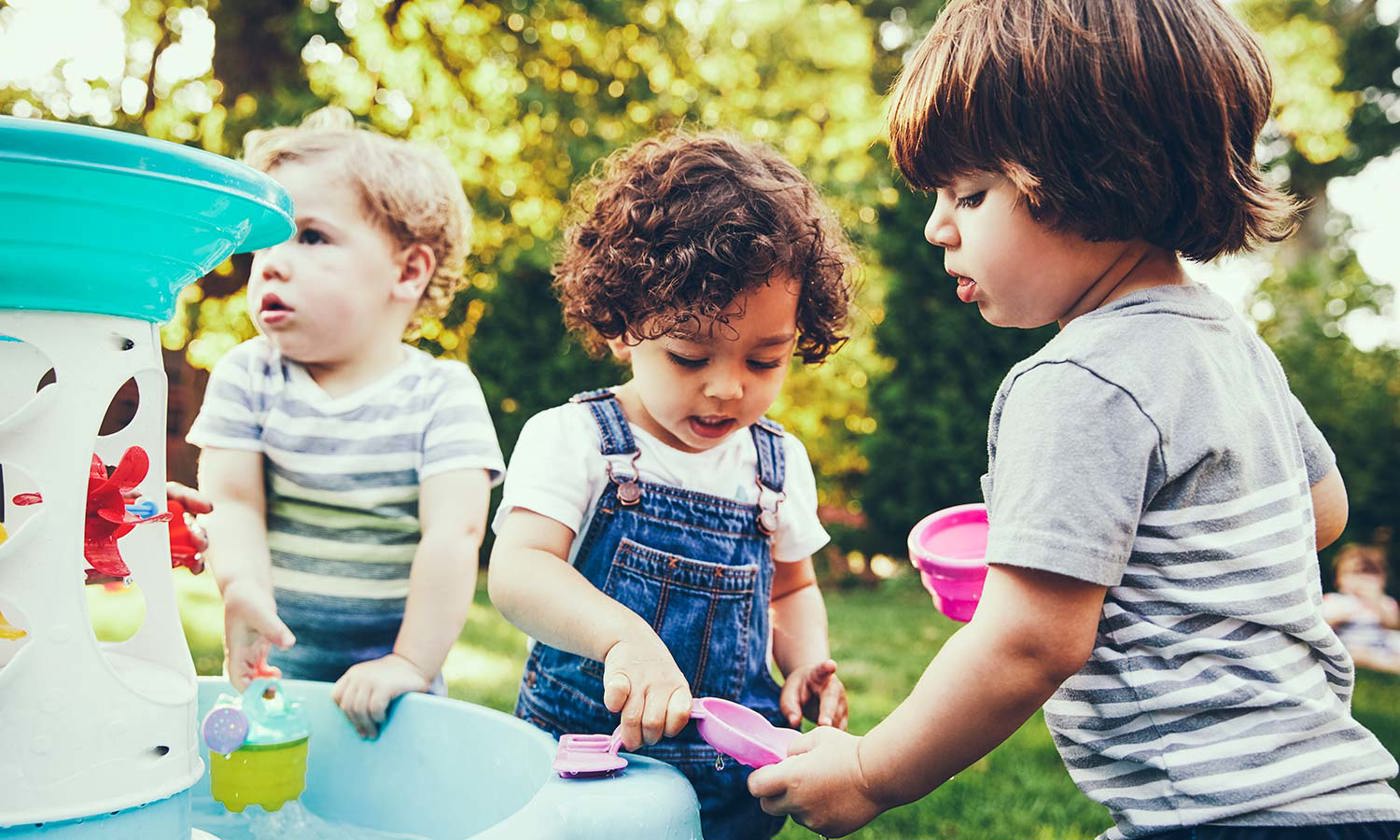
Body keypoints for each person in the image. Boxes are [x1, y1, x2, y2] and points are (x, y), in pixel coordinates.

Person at [748, 1, 1400, 838]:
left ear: (1094, 173)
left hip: (1217, 815)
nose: (936, 226)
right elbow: (1320, 513)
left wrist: (872, 773)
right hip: (1337, 795)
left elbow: (1029, 645)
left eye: (970, 194)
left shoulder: (1074, 379)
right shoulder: (1228, 340)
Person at [487, 132, 852, 840]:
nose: (727, 387)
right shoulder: (576, 441)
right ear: (624, 327)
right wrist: (623, 639)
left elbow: (791, 588)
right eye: (689, 356)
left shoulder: (777, 465)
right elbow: (518, 572)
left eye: (765, 359)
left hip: (729, 782)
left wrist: (805, 664)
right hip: (588, 771)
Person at [187, 107, 504, 739]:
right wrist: (241, 586)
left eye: (310, 237)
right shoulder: (248, 376)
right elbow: (233, 503)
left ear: (407, 271)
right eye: (265, 242)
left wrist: (410, 663)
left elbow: (454, 532)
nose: (271, 264)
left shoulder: (441, 393)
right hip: (276, 673)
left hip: (393, 693)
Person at [1323, 541, 1400, 674]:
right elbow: (1323, 621)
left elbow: (1393, 623)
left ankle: (1383, 663)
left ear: (1382, 580)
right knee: (1353, 653)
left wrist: (1375, 601)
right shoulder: (1337, 600)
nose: (1360, 580)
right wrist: (1344, 614)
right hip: (1350, 645)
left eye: (1368, 574)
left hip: (1379, 645)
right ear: (1338, 580)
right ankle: (1385, 665)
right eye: (1353, 573)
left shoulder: (1384, 602)